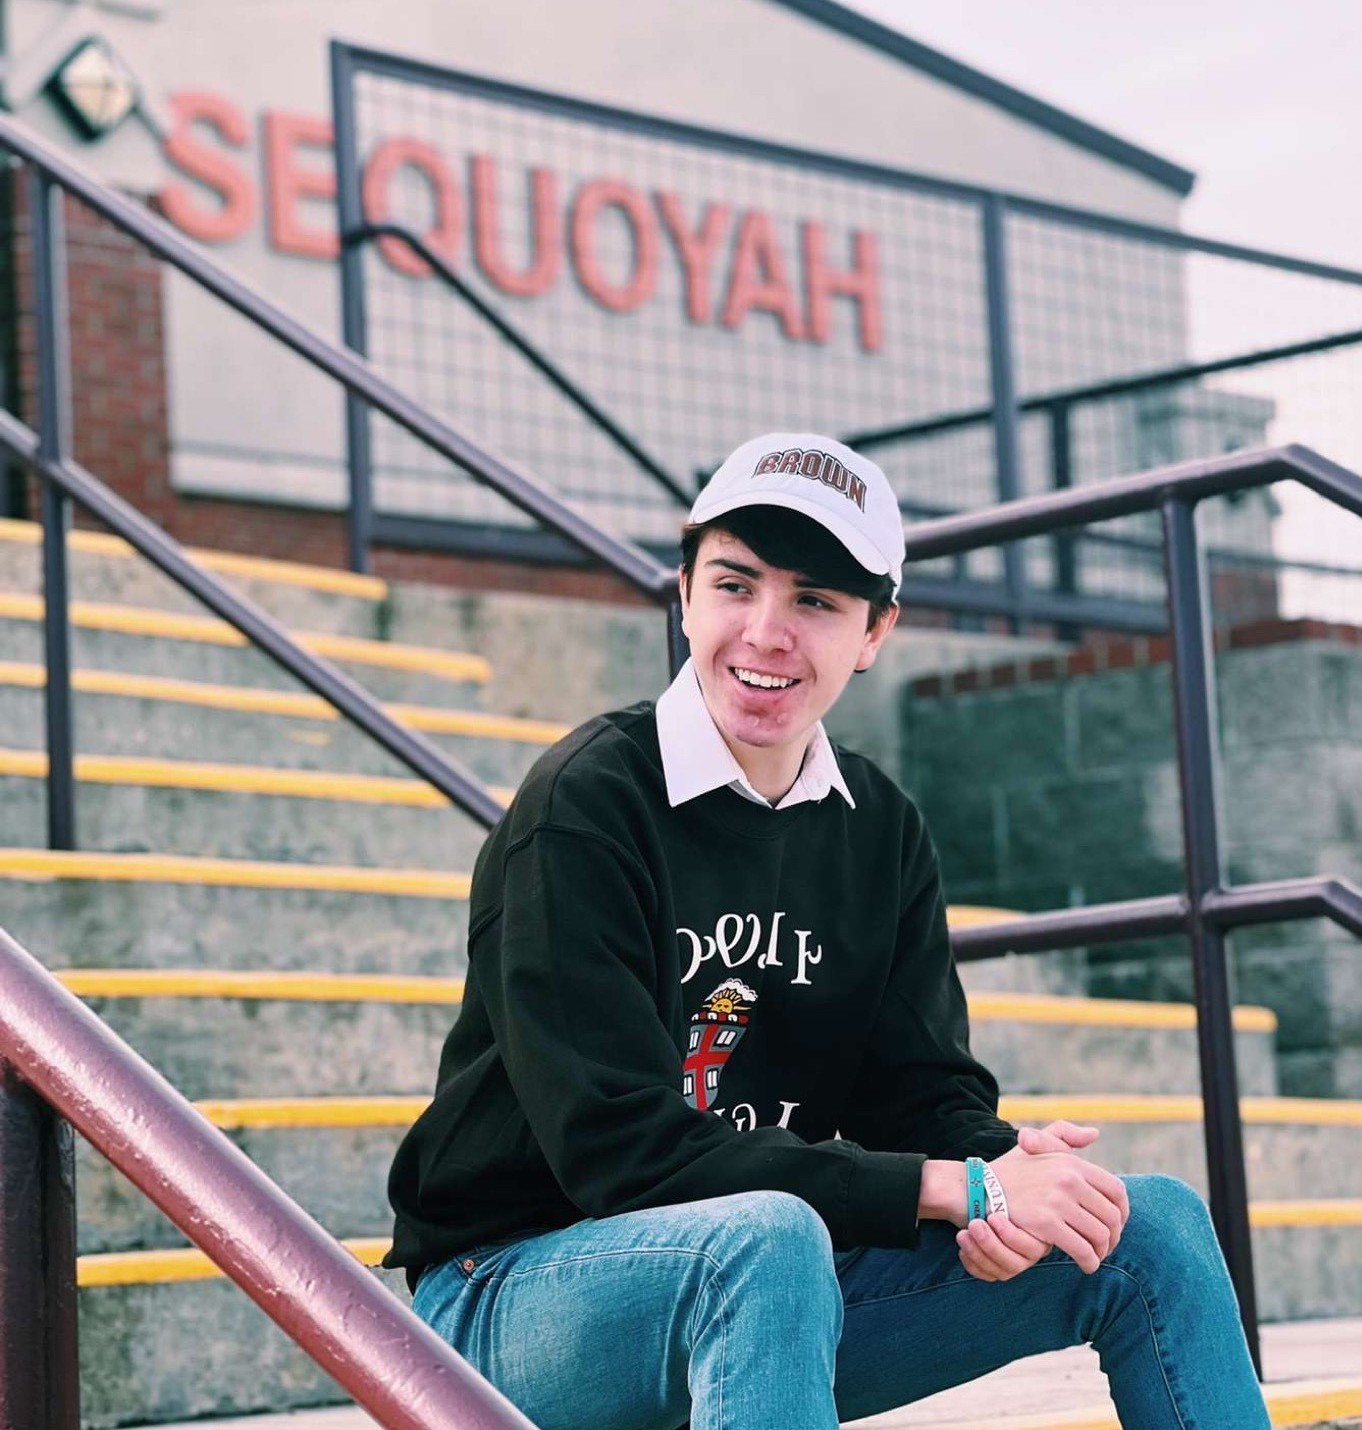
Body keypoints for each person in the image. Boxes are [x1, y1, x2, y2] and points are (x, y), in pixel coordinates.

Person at [385, 433, 1269, 1430]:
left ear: (875, 629)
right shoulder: (585, 804)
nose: (765, 630)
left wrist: (1004, 1176)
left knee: (1146, 1222)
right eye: (735, 583)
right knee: (766, 1238)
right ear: (684, 593)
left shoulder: (878, 827)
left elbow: (921, 1091)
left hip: (765, 1287)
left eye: (814, 600)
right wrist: (946, 1186)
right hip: (502, 1297)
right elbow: (620, 1156)